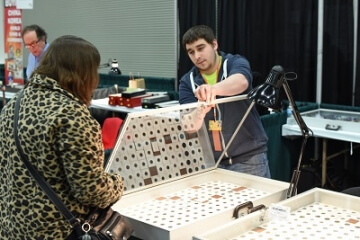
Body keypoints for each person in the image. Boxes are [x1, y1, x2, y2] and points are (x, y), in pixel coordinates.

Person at [0, 35, 124, 239]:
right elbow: (90, 188)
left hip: (13, 226)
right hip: (56, 230)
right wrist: (118, 183)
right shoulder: (72, 115)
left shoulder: (14, 105)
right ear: (82, 73)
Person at [179, 25, 271, 178]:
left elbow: (241, 82)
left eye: (201, 48)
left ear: (214, 44)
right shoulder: (187, 82)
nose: (197, 56)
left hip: (249, 160)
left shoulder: (235, 62)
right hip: (211, 163)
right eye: (191, 52)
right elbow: (189, 126)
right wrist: (199, 112)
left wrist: (213, 90)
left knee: (257, 203)